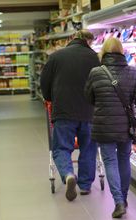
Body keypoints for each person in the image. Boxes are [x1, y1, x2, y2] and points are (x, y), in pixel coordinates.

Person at [85, 37, 136, 218]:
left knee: (110, 162)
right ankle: (124, 197)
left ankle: (118, 201)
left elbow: (88, 97)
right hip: (126, 127)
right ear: (122, 52)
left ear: (103, 52)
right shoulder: (133, 72)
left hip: (104, 126)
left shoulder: (95, 72)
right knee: (124, 160)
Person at [40, 30, 100, 202]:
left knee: (61, 148)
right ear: (89, 42)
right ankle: (85, 185)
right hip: (89, 111)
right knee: (88, 148)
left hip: (64, 111)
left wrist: (50, 98)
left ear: (72, 39)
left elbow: (44, 82)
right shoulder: (95, 58)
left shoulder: (56, 57)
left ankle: (68, 175)